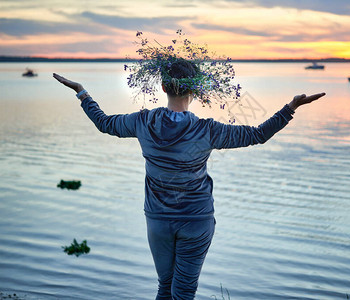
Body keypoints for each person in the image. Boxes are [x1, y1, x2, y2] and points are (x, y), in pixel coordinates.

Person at [53, 59, 325, 299]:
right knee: (182, 293)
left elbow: (104, 123)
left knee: (165, 287)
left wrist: (82, 92)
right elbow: (258, 134)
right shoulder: (207, 130)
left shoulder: (142, 122)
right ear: (195, 90)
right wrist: (290, 107)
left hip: (158, 220)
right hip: (196, 221)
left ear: (162, 87)